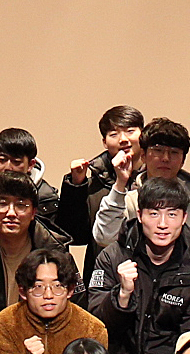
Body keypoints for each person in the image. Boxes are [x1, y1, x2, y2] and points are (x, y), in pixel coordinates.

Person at [86, 175, 190, 354]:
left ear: (184, 218)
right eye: (154, 213)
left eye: (172, 214)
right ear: (139, 215)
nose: (163, 224)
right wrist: (122, 296)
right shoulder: (113, 257)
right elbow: (95, 326)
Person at [0, 248, 107, 354]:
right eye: (38, 287)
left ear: (70, 290)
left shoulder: (92, 329)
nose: (48, 295)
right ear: (23, 292)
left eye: (57, 286)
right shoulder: (3, 325)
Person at [86, 116, 190, 248]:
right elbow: (104, 238)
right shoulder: (129, 200)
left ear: (183, 160)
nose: (165, 158)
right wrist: (120, 184)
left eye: (174, 152)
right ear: (143, 155)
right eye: (158, 150)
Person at [0, 173, 72, 320]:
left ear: (33, 212)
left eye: (20, 205)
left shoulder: (55, 249)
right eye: (2, 204)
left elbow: (76, 307)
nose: (11, 213)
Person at [56, 103, 146, 269]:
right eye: (114, 134)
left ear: (143, 134)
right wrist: (76, 186)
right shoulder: (95, 181)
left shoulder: (156, 177)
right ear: (104, 142)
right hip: (103, 270)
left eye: (130, 131)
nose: (123, 139)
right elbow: (75, 236)